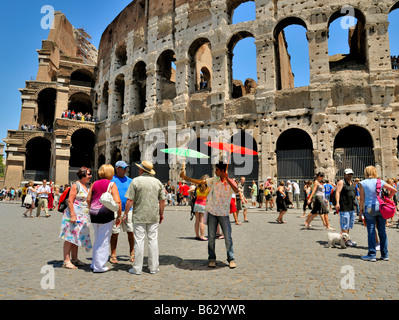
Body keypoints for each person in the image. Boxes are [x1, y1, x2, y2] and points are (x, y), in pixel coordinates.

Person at [180, 162, 239, 269]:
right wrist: (185, 177)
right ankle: (211, 258)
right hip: (212, 211)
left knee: (228, 237)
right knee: (211, 238)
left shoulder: (231, 182)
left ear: (222, 171)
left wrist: (228, 180)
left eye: (217, 170)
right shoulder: (213, 180)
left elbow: (236, 190)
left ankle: (231, 259)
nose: (215, 171)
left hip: (223, 213)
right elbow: (200, 181)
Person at [125, 161, 166, 275]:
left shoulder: (136, 181)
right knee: (153, 240)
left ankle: (137, 268)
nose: (138, 170)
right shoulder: (157, 182)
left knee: (139, 240)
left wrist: (125, 214)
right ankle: (153, 267)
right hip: (153, 215)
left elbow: (129, 200)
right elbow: (162, 201)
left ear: (142, 170)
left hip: (139, 215)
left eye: (139, 168)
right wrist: (161, 214)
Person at [87, 164, 122, 273]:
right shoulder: (111, 184)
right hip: (105, 214)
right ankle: (99, 266)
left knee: (97, 238)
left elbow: (88, 199)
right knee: (103, 240)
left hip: (94, 213)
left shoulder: (94, 183)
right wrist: (119, 215)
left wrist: (91, 209)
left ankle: (94, 263)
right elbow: (118, 201)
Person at [359, 166, 397, 262]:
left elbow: (362, 199)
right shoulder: (380, 182)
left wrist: (360, 210)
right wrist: (387, 198)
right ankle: (385, 255)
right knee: (382, 231)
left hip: (369, 207)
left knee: (371, 231)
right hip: (380, 207)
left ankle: (372, 254)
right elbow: (394, 190)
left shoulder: (362, 183)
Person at [59, 167, 93, 269]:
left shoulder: (86, 186)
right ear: (82, 175)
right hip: (73, 215)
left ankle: (75, 259)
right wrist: (73, 215)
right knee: (69, 237)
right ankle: (66, 261)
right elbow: (70, 201)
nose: (90, 176)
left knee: (76, 237)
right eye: (88, 174)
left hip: (82, 216)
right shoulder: (76, 185)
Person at [110, 161, 134, 264]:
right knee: (115, 233)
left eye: (126, 168)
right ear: (117, 168)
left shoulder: (130, 180)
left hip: (129, 210)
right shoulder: (111, 180)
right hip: (115, 210)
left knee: (131, 232)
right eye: (123, 168)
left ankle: (132, 253)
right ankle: (113, 254)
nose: (125, 170)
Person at [335, 169, 357, 246]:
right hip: (344, 206)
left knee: (349, 224)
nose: (350, 175)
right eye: (348, 174)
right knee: (344, 223)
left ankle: (346, 238)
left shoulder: (352, 183)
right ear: (344, 175)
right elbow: (337, 192)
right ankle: (345, 240)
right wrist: (337, 203)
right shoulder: (341, 182)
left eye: (351, 174)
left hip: (351, 206)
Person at [192, 175, 210, 240]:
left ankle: (197, 235)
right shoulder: (208, 188)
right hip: (203, 204)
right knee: (202, 221)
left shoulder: (197, 187)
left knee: (197, 221)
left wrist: (192, 196)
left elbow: (189, 191)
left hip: (196, 204)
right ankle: (202, 236)